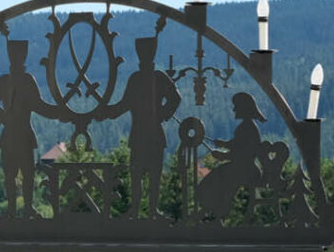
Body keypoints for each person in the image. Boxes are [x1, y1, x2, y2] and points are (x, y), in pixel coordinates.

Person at [102, 36, 180, 218]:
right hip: (144, 135)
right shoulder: (141, 78)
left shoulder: (151, 78)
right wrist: (108, 111)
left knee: (150, 176)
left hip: (145, 135)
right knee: (138, 176)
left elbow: (175, 99)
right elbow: (124, 105)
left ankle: (149, 210)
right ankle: (138, 210)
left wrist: (161, 114)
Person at [0, 38, 62, 219]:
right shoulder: (7, 81)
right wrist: (2, 116)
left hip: (22, 135)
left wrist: (58, 111)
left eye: (19, 54)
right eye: (15, 54)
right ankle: (13, 209)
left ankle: (27, 207)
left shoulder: (26, 81)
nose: (17, 58)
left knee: (28, 174)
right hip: (13, 135)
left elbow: (39, 106)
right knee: (12, 175)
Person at [195, 92, 266, 221]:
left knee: (216, 183)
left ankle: (217, 215)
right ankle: (213, 214)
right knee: (215, 182)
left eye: (236, 106)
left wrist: (223, 156)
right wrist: (223, 144)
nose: (234, 109)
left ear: (243, 108)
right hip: (242, 168)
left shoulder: (247, 127)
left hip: (245, 170)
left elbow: (244, 153)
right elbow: (237, 145)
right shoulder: (247, 127)